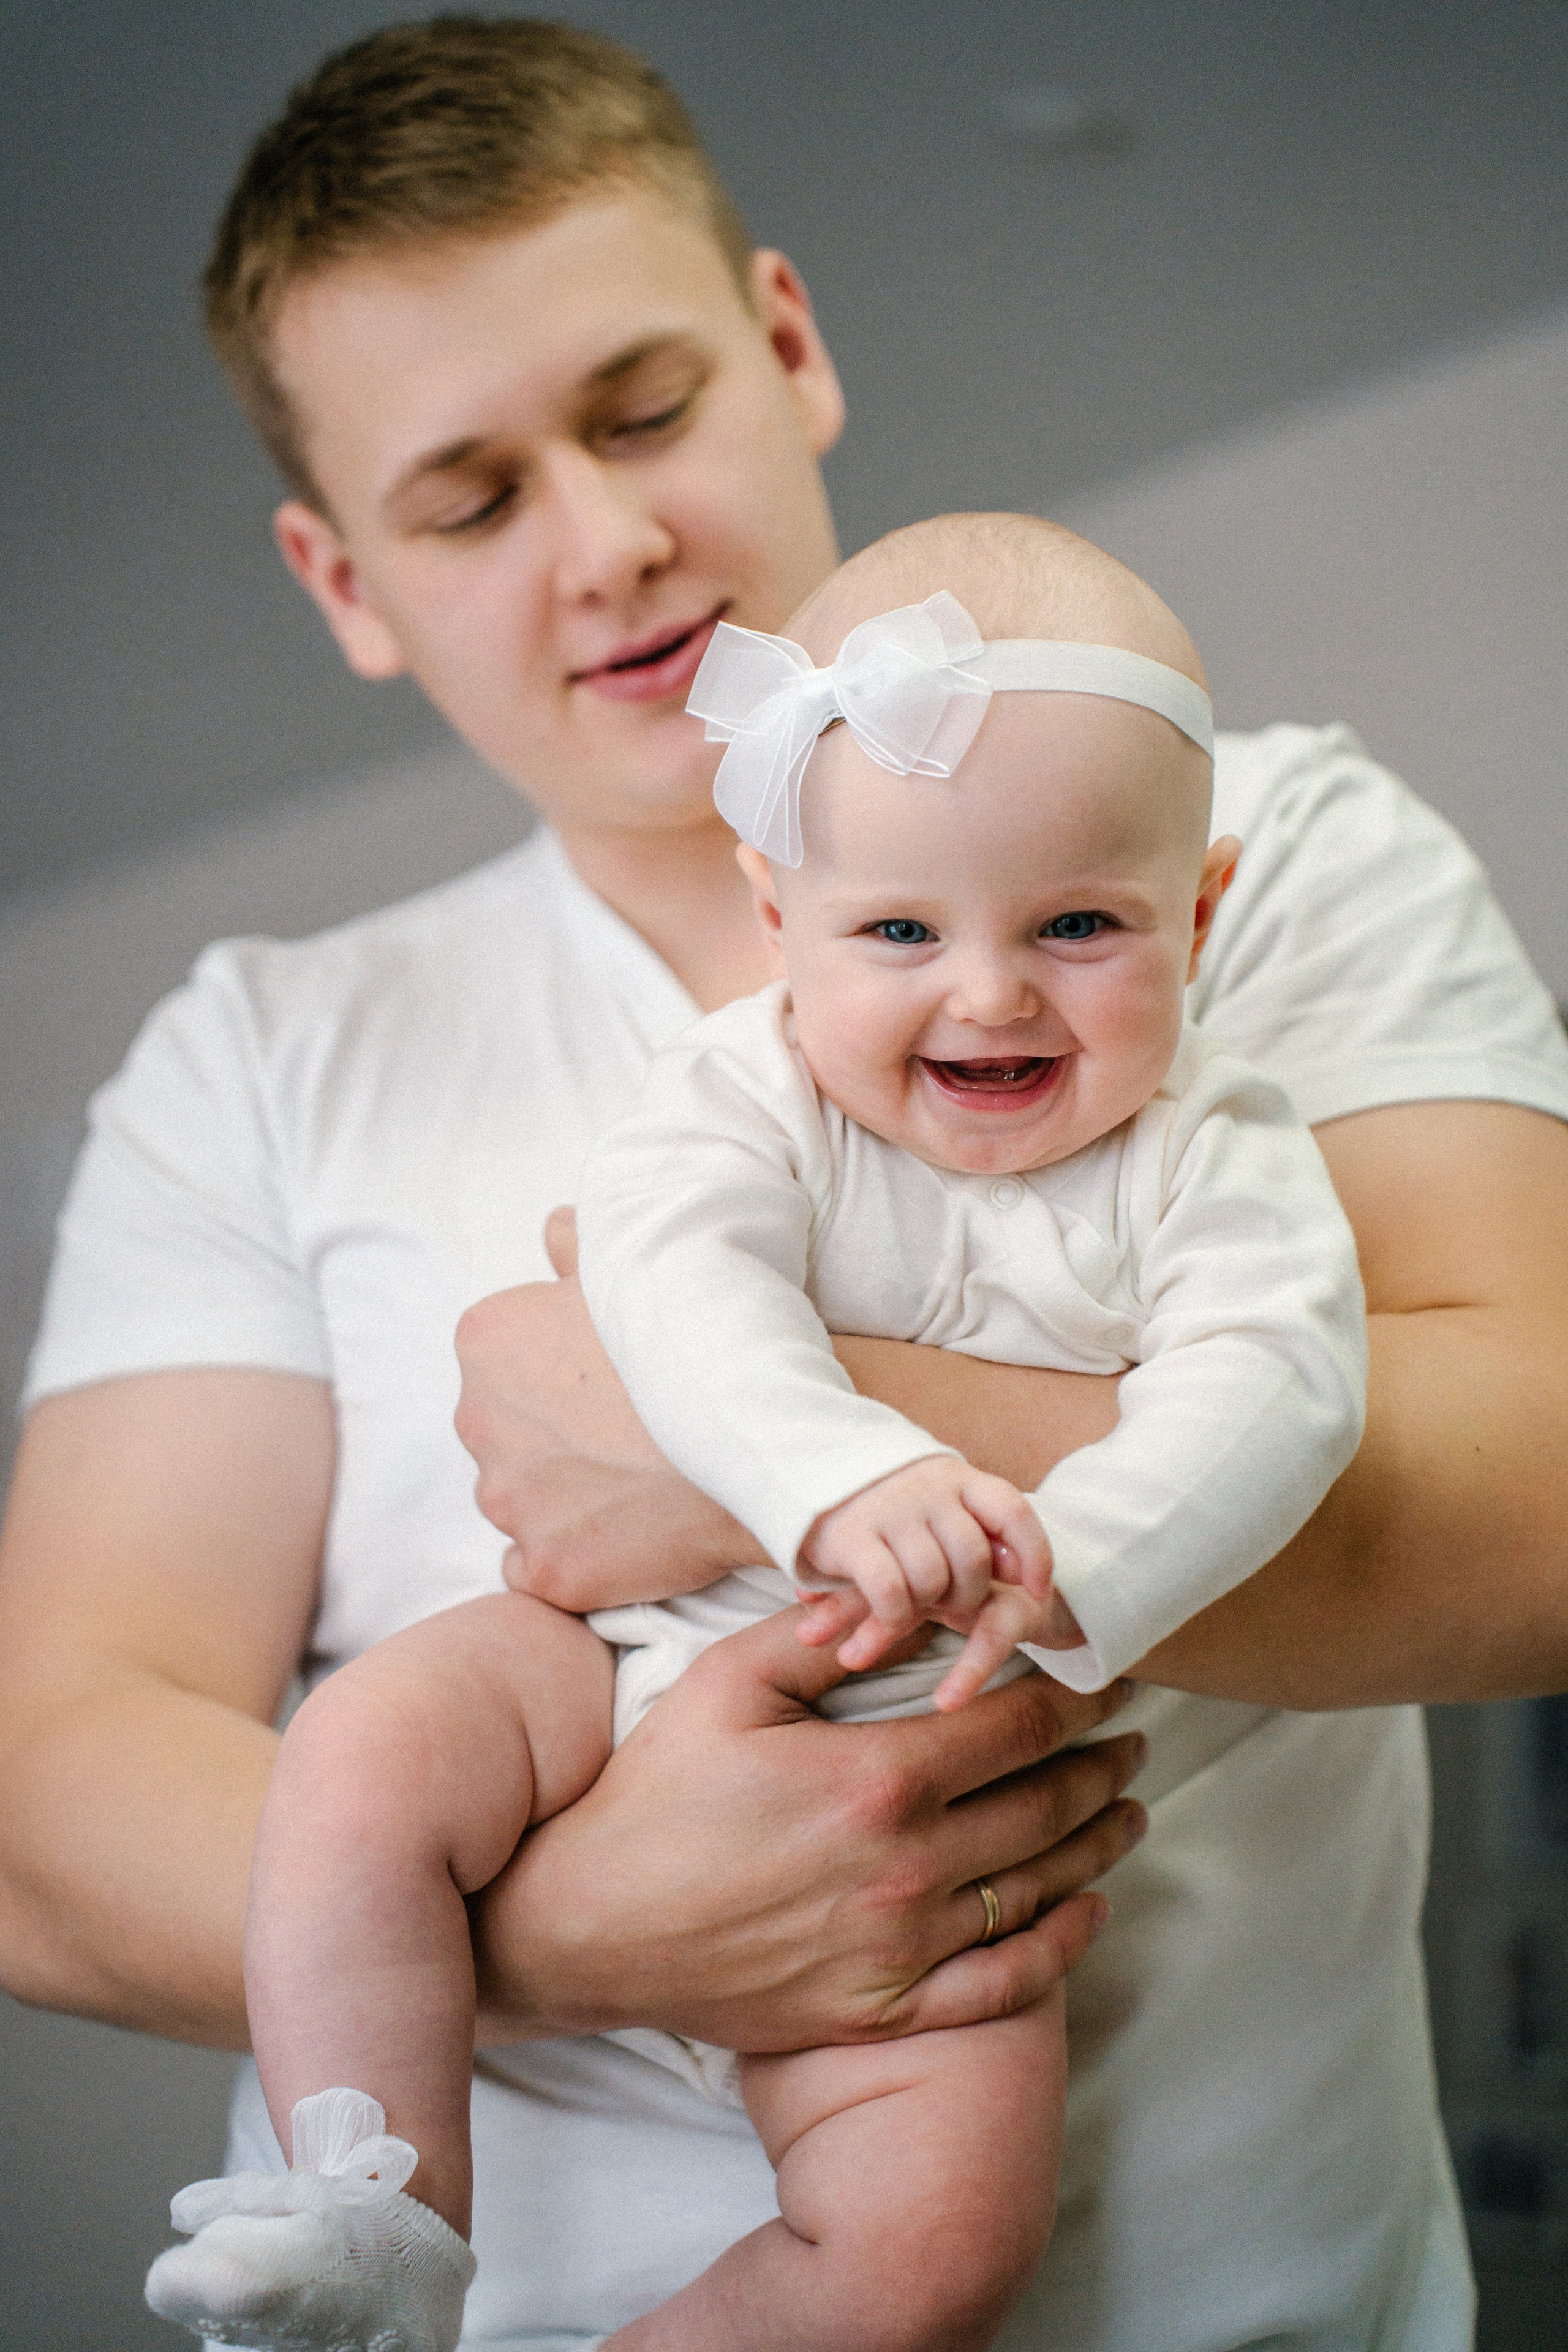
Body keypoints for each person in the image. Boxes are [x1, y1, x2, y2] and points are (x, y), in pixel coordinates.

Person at [0, 15, 1565, 2350]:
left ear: (789, 344)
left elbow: (1546, 1511)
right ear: (343, 579)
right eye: (470, 501)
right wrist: (581, 1926)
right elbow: (46, 1807)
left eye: (643, 410)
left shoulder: (1256, 847)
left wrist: (745, 1435)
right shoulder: (261, 1053)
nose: (607, 541)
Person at [144, 513, 1367, 2352]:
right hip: (603, 1675)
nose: (989, 990)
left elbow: (1284, 1378)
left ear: (1195, 913)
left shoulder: (1217, 1149)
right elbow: (669, 1276)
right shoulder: (749, 1083)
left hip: (940, 1805)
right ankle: (368, 2212)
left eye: (1078, 925)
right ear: (778, 919)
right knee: (360, 1762)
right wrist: (843, 1475)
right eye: (900, 929)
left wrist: (1089, 1557)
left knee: (937, 2253)